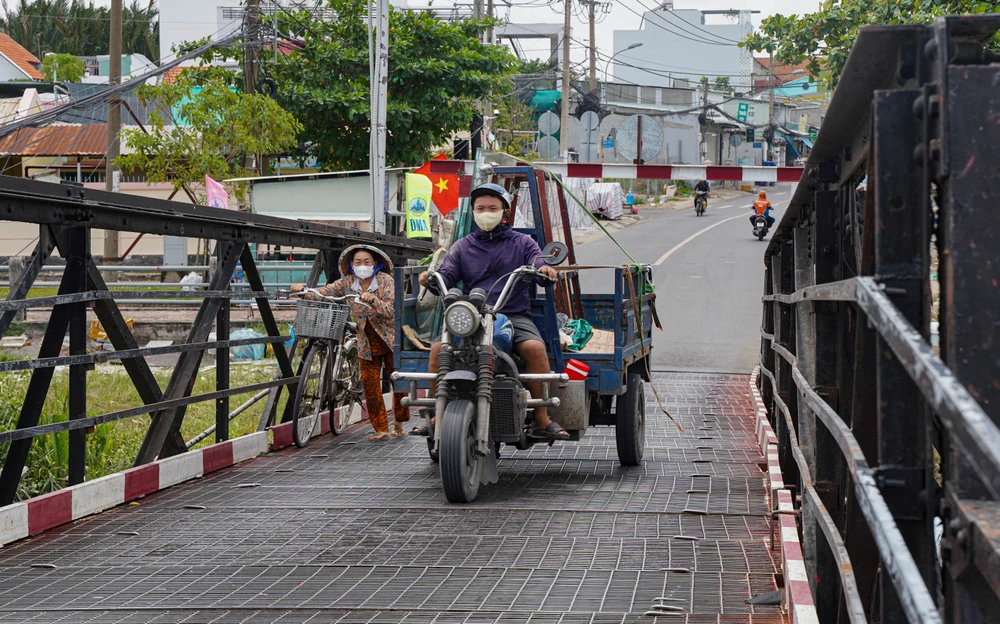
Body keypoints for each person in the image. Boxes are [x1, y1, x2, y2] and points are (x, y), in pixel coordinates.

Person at [415, 182, 570, 440]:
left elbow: (539, 264)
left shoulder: (524, 243)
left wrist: (544, 270)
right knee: (437, 349)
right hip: (473, 315)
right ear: (474, 212)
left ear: (504, 212)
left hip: (513, 314)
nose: (486, 212)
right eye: (480, 208)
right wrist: (430, 278)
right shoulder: (463, 246)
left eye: (492, 208)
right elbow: (446, 275)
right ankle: (437, 411)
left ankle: (543, 418)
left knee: (535, 348)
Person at [291, 245, 408, 441]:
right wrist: (302, 291)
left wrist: (373, 300)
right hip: (366, 342)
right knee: (370, 384)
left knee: (398, 380)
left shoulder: (386, 281)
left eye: (367, 262)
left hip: (390, 340)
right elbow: (324, 292)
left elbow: (391, 311)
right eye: (358, 262)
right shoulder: (347, 283)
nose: (362, 266)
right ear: (351, 265)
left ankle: (399, 420)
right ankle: (381, 428)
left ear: (376, 264)